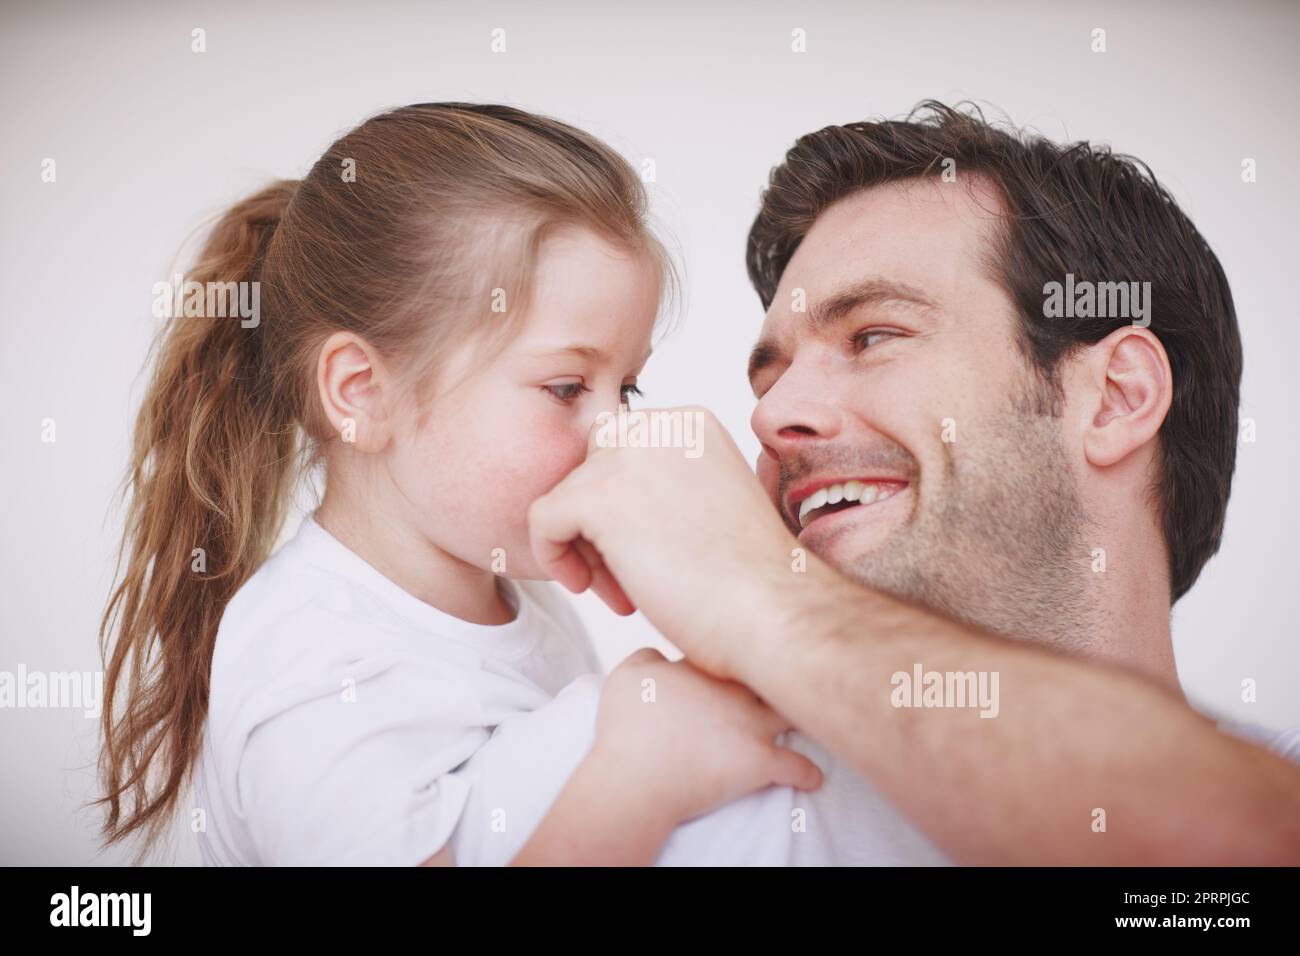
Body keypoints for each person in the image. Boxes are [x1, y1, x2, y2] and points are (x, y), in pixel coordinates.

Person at [527, 102, 1300, 864]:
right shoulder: (619, 770)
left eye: (873, 336)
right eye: (770, 380)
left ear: (1115, 398)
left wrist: (763, 599)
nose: (771, 418)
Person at [94, 103, 826, 865]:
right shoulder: (317, 660)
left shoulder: (516, 596)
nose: (622, 432)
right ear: (362, 392)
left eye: (628, 389)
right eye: (568, 388)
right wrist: (639, 777)